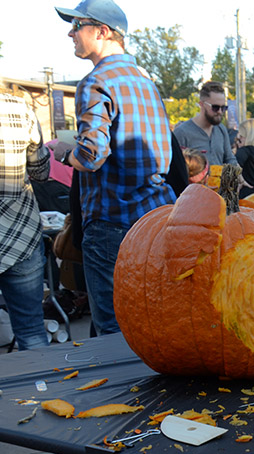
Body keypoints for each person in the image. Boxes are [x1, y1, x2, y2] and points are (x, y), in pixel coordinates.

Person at [54, 0, 176, 335]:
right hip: (156, 215)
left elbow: (92, 156)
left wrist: (66, 154)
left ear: (103, 32)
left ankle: (125, 390)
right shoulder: (145, 81)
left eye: (78, 26)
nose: (71, 33)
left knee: (112, 329)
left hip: (112, 221)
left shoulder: (95, 82)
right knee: (156, 319)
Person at [0, 93, 52, 350]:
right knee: (31, 329)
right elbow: (41, 172)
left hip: (21, 236)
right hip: (21, 235)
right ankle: (43, 391)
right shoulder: (19, 109)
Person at [173, 81, 237, 166]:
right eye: (215, 107)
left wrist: (240, 177)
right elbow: (175, 167)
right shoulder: (182, 133)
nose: (220, 112)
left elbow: (230, 159)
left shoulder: (221, 129)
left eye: (223, 107)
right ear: (201, 104)